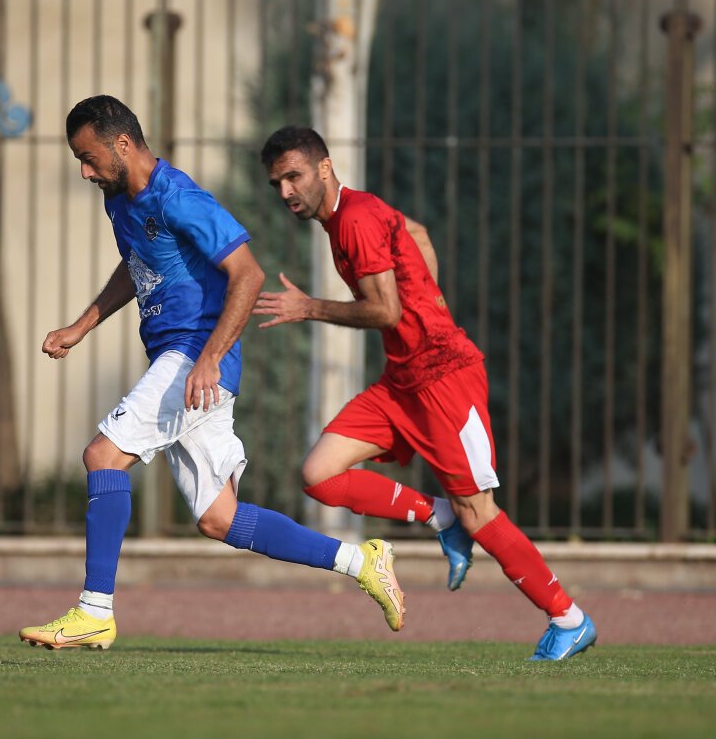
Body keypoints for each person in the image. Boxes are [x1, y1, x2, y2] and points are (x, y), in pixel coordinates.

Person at [17, 96, 405, 650]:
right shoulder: (119, 199)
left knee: (102, 456)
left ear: (122, 144)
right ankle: (361, 561)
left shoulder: (179, 196)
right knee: (220, 519)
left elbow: (248, 273)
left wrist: (209, 357)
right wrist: (82, 326)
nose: (84, 171)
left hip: (194, 355)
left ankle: (94, 610)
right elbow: (137, 264)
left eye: (88, 157)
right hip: (182, 359)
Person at [254, 125, 597, 661]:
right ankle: (439, 516)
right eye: (277, 183)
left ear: (324, 167)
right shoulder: (355, 212)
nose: (285, 192)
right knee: (320, 473)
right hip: (403, 380)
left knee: (479, 512)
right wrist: (427, 300)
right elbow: (417, 231)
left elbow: (386, 311)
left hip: (443, 380)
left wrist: (310, 307)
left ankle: (568, 618)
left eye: (293, 177)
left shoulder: (354, 220)